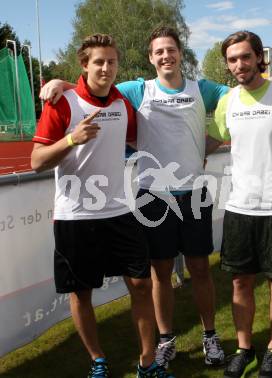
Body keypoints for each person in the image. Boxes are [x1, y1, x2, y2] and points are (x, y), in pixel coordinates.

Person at [40, 26, 228, 369]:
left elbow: (240, 99)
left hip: (195, 194)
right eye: (159, 52)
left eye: (171, 50)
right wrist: (62, 84)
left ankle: (210, 336)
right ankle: (166, 339)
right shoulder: (138, 90)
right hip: (152, 196)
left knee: (201, 268)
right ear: (151, 58)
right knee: (159, 273)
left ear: (180, 53)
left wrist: (212, 141)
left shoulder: (202, 88)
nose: (166, 56)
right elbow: (96, 87)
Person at [31, 34, 172, 378]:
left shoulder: (122, 103)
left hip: (120, 212)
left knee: (140, 285)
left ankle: (147, 362)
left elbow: (141, 131)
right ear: (84, 65)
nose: (106, 68)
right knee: (81, 294)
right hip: (75, 217)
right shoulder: (61, 102)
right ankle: (97, 359)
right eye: (98, 62)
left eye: (111, 61)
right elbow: (36, 160)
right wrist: (71, 139)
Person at [205, 30, 272, 378]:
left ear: (261, 57)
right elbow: (214, 139)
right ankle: (245, 349)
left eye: (246, 56)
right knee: (240, 283)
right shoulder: (228, 100)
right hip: (241, 206)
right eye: (232, 59)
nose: (239, 64)